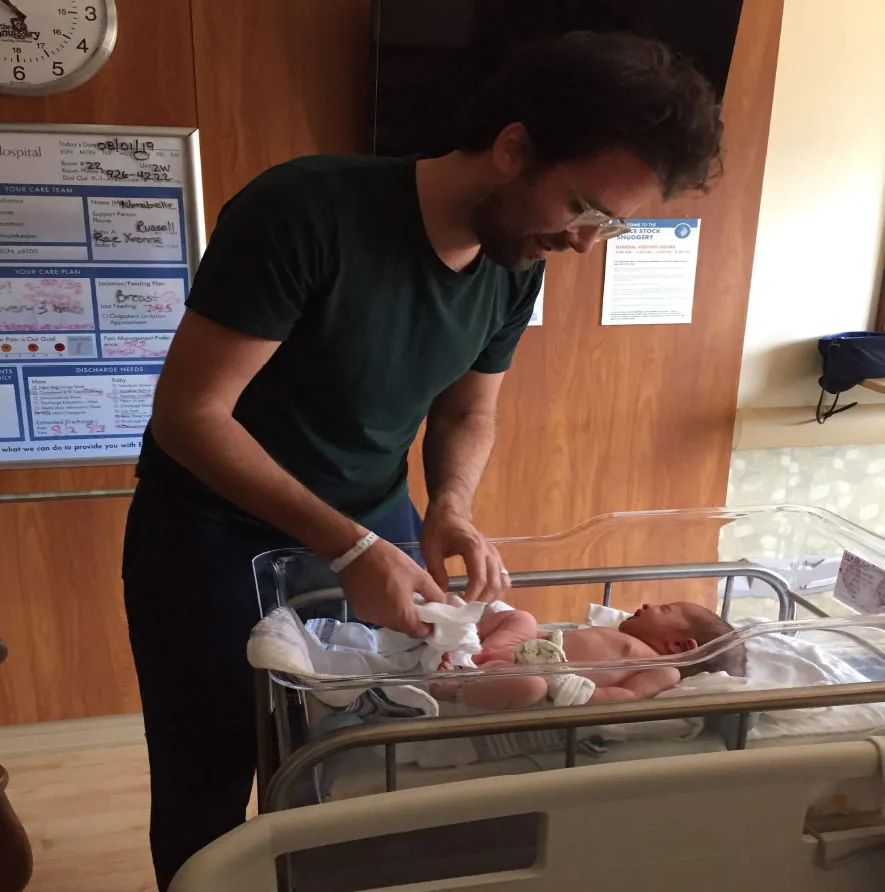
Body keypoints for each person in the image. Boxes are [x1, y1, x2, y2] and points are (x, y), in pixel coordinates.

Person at [121, 30, 724, 890]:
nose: (587, 241)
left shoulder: (515, 260)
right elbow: (190, 415)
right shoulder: (305, 211)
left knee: (372, 758)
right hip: (212, 534)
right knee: (207, 777)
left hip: (376, 523)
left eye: (611, 222)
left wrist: (450, 506)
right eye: (584, 207)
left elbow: (470, 407)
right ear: (513, 148)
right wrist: (351, 547)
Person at [431, 601, 748, 710]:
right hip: (530, 645)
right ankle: (466, 638)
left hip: (542, 674)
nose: (649, 605)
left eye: (664, 609)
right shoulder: (620, 634)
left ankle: (459, 686)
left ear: (680, 647)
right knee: (522, 618)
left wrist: (572, 689)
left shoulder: (664, 670)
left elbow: (625, 696)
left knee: (530, 687)